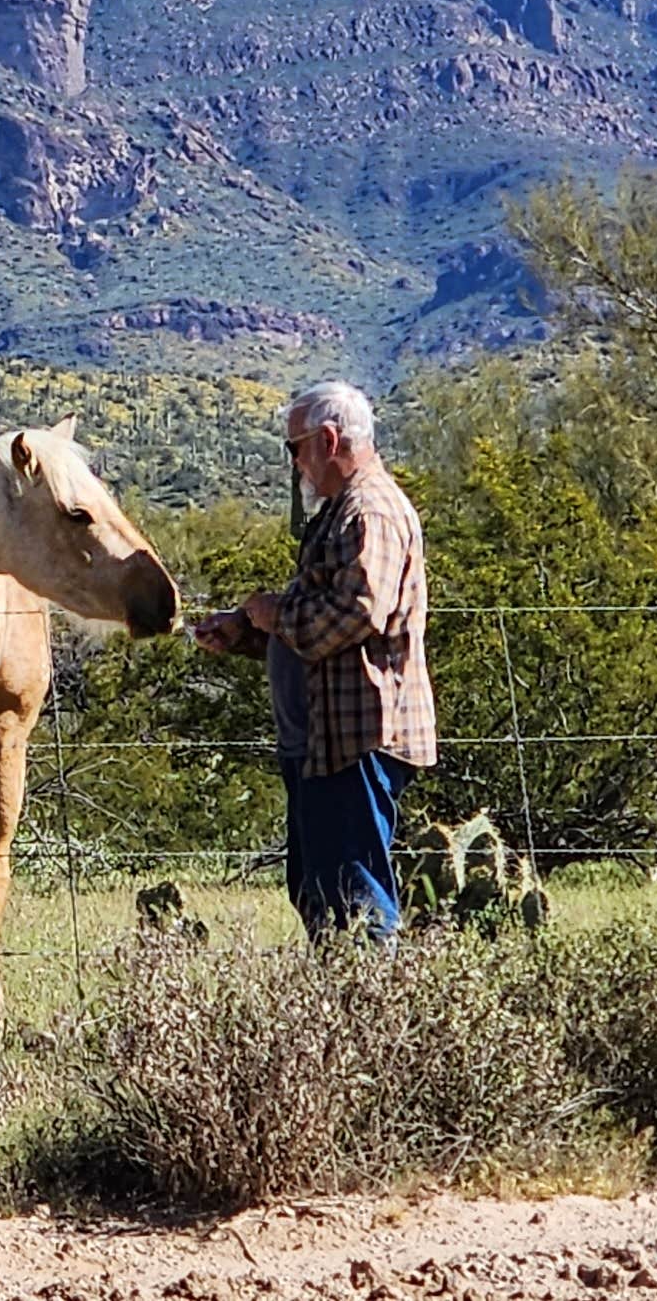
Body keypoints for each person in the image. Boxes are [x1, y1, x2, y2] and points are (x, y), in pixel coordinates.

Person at [195, 381, 437, 936]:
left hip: (355, 740)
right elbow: (327, 617)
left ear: (328, 439)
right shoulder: (343, 510)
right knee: (322, 891)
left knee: (356, 898)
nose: (296, 464)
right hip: (327, 739)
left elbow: (355, 614)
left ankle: (365, 1012)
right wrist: (248, 631)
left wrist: (272, 614)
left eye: (296, 448)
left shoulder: (368, 510)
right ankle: (339, 1007)